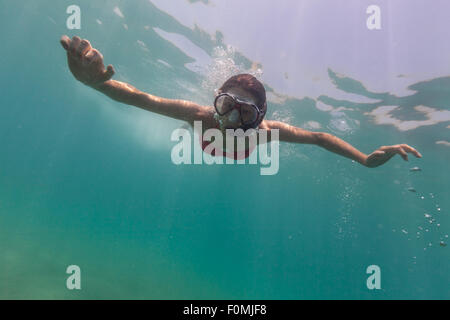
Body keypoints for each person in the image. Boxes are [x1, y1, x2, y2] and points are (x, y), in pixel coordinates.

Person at [60, 35, 422, 167]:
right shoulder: (199, 117)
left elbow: (319, 137)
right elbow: (142, 98)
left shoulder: (264, 133)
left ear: (258, 117)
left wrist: (365, 159)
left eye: (245, 112)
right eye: (227, 105)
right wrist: (96, 83)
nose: (231, 119)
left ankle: (256, 67)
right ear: (215, 101)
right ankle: (253, 66)